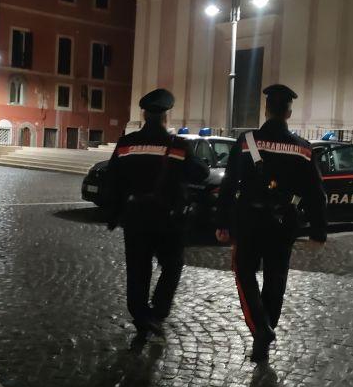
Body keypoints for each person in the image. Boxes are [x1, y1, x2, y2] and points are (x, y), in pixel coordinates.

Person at [215, 84, 328, 362]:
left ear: (266, 110)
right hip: (283, 223)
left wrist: (222, 222)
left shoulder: (246, 142)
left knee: (244, 273)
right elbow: (316, 194)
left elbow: (228, 185)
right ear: (288, 112)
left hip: (249, 220)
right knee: (276, 278)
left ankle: (260, 330)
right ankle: (266, 329)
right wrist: (318, 232)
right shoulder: (303, 149)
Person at [104, 89, 209, 337]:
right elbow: (201, 173)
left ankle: (140, 315)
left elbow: (112, 180)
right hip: (168, 220)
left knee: (137, 269)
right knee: (173, 266)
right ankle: (159, 310)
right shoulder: (177, 145)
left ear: (143, 114)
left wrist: (114, 215)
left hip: (136, 218)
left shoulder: (126, 144)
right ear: (165, 117)